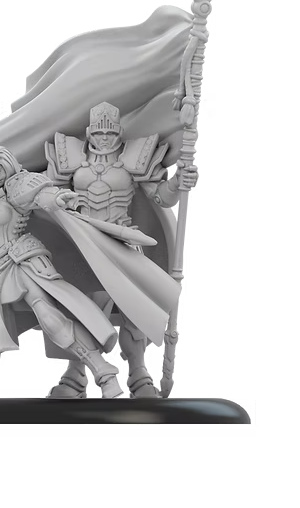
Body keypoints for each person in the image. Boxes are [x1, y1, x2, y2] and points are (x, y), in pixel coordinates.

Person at [0, 146, 122, 399]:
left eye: (1, 168)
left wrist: (58, 198)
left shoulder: (18, 187)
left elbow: (42, 195)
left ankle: (104, 373)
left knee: (51, 319)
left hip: (22, 261)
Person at [44, 102, 198, 398]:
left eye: (109, 132)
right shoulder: (70, 158)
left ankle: (138, 373)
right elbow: (47, 192)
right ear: (89, 132)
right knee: (81, 308)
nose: (104, 138)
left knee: (134, 309)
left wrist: (178, 182)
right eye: (98, 132)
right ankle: (76, 374)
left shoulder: (133, 160)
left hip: (123, 243)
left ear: (118, 132)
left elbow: (160, 197)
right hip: (83, 245)